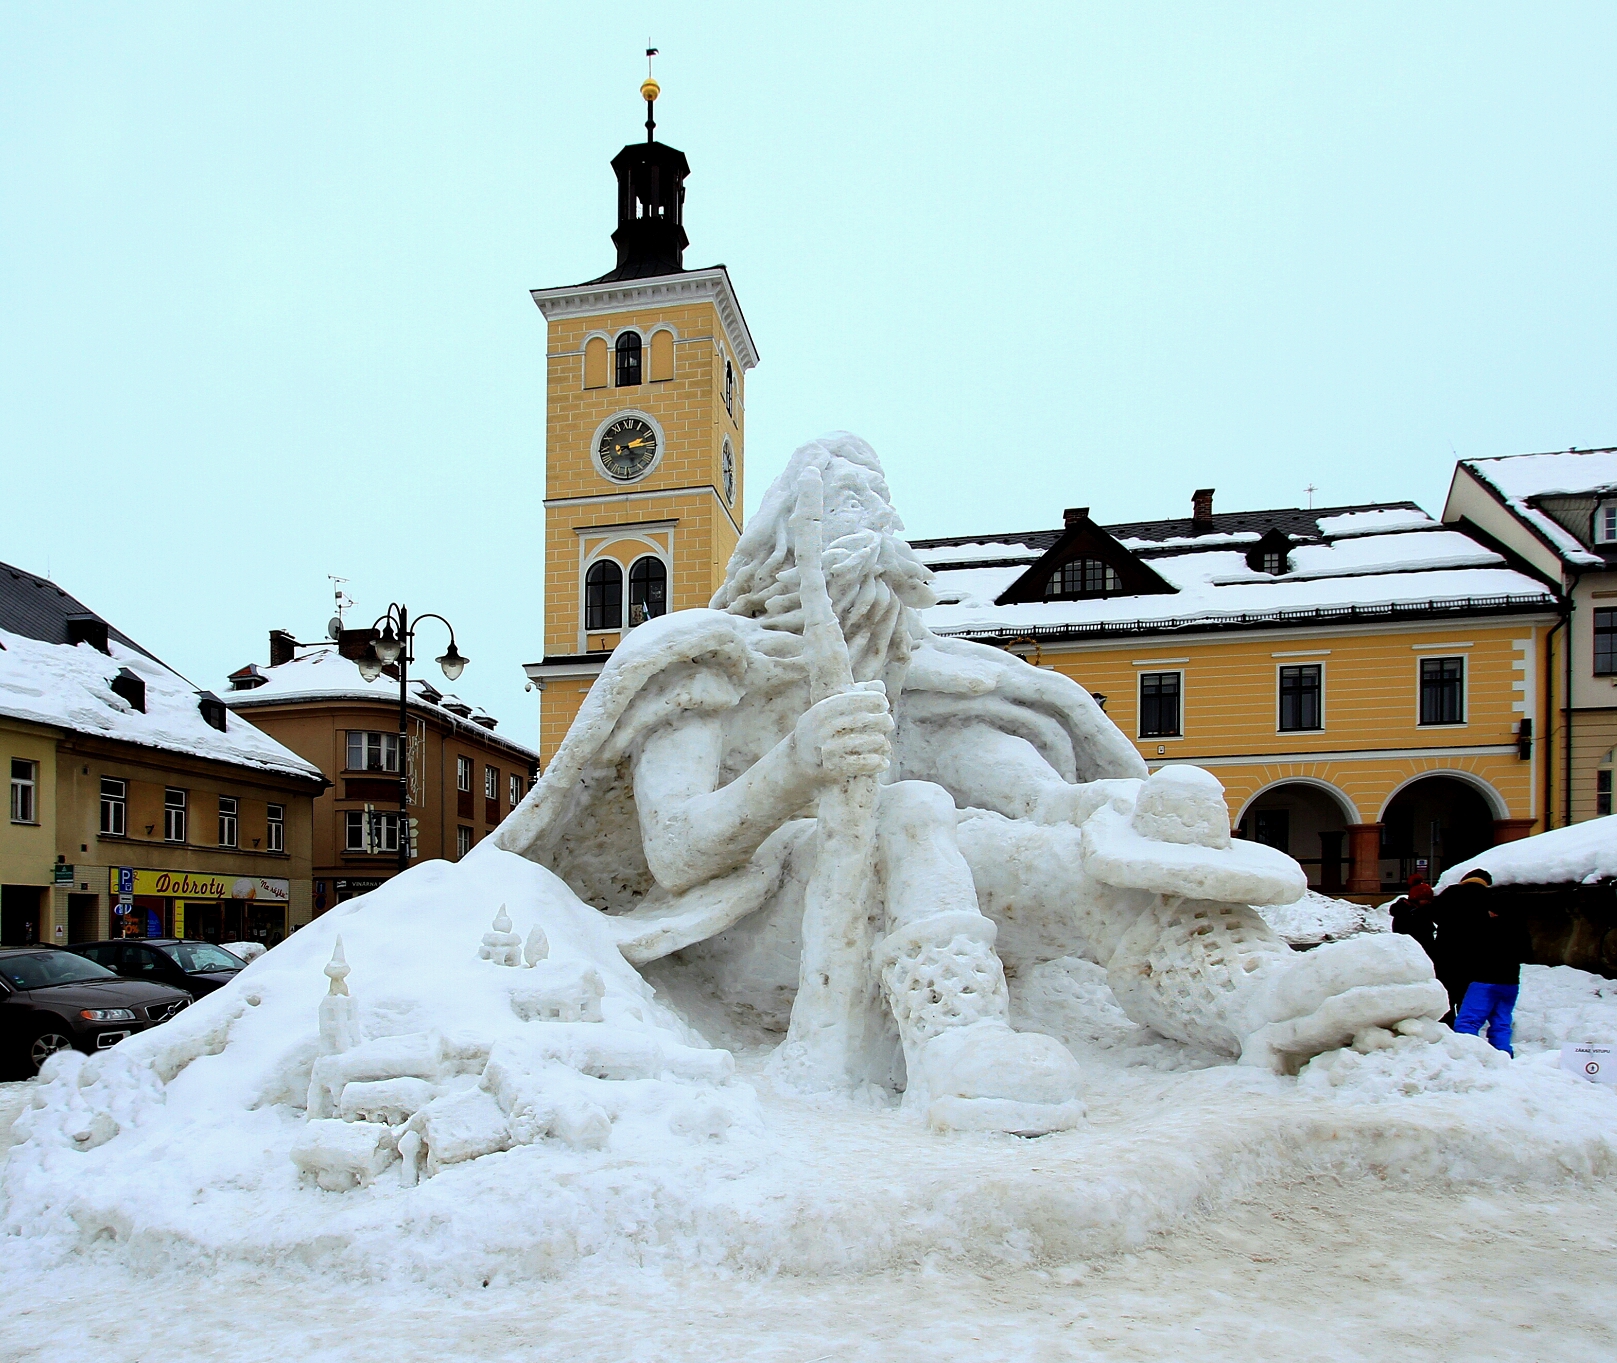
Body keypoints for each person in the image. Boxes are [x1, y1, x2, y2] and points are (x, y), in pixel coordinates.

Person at [495, 434, 1447, 1130]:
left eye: (886, 512)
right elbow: (676, 850)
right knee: (914, 812)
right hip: (741, 932)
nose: (881, 536)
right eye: (852, 510)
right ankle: (954, 1045)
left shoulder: (908, 676)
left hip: (893, 878)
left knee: (1033, 845)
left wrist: (1102, 810)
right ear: (789, 541)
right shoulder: (710, 666)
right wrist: (797, 764)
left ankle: (1253, 995)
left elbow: (1018, 793)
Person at [1446, 868, 1531, 1056]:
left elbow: (1472, 951)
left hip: (1484, 981)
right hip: (1510, 982)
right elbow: (1527, 955)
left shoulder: (1487, 928)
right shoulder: (1521, 929)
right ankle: (1503, 1053)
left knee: (1468, 1021)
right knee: (1501, 1022)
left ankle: (1467, 1055)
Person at [1389, 873, 1437, 957]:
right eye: (1426, 899)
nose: (1429, 902)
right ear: (1417, 898)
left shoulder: (1421, 910)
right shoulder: (1406, 912)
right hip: (1411, 951)